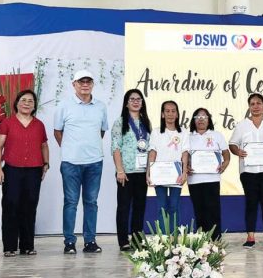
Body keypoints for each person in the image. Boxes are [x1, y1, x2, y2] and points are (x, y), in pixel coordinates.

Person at [54, 70, 109, 254]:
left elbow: (101, 131)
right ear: (74, 84)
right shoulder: (64, 105)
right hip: (70, 163)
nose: (85, 85)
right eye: (81, 82)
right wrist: (70, 149)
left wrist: (88, 148)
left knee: (91, 202)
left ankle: (90, 241)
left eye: (88, 81)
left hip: (94, 162)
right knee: (70, 202)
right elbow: (57, 131)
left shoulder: (101, 106)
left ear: (92, 84)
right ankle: (69, 242)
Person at [0, 90, 49, 257]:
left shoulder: (39, 124)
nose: (27, 103)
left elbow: (44, 145)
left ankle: (27, 246)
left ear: (34, 105)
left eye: (30, 101)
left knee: (30, 206)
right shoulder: (7, 123)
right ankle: (9, 246)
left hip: (34, 170)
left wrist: (46, 163)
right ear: (17, 103)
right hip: (12, 169)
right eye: (23, 100)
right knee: (11, 206)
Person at [229, 93, 263, 247]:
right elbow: (232, 144)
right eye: (252, 104)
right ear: (249, 106)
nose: (256, 106)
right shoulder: (241, 125)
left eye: (259, 103)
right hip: (248, 171)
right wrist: (237, 151)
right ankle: (250, 237)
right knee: (251, 202)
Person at [111, 89, 152, 251]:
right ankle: (123, 241)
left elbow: (150, 148)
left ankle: (137, 239)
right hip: (125, 172)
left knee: (139, 207)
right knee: (124, 207)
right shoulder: (120, 122)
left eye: (139, 99)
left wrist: (150, 171)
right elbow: (115, 147)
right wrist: (119, 170)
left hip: (142, 172)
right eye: (132, 99)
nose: (136, 102)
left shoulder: (146, 122)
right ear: (126, 103)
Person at [188, 107, 230, 240]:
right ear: (193, 120)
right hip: (194, 180)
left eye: (204, 117)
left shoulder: (217, 135)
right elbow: (182, 156)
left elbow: (226, 154)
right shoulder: (187, 137)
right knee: (199, 210)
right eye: (198, 117)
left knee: (213, 209)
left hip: (212, 178)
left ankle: (216, 238)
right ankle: (201, 239)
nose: (201, 120)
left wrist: (225, 163)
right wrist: (186, 167)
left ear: (209, 120)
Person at [147, 100, 189, 227]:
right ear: (162, 114)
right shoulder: (156, 132)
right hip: (159, 174)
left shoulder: (183, 132)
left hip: (176, 174)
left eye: (173, 111)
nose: (170, 114)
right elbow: (152, 152)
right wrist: (149, 173)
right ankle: (163, 239)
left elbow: (185, 153)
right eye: (167, 111)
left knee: (174, 206)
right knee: (161, 207)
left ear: (177, 114)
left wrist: (184, 172)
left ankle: (174, 239)